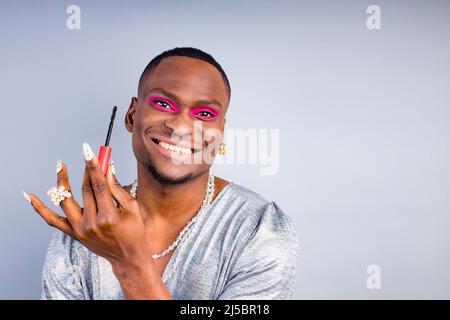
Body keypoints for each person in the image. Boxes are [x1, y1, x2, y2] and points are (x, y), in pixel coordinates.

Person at [23, 47, 300, 300]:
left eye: (204, 114)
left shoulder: (259, 230)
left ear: (220, 134)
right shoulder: (86, 232)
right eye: (164, 105)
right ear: (132, 116)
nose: (180, 126)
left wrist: (128, 262)